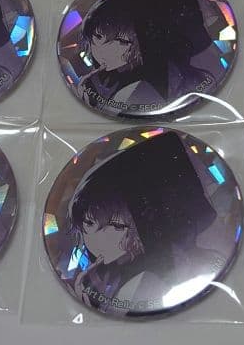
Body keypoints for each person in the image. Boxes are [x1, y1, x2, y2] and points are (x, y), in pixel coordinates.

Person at [66, 133, 223, 316]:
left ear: (149, 220)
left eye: (116, 225)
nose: (96, 239)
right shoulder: (115, 274)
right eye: (89, 224)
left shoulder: (146, 279)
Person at [78, 0, 214, 111]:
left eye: (121, 41)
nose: (104, 50)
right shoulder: (95, 83)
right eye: (98, 37)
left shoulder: (189, 81)